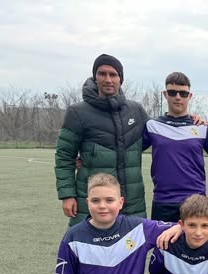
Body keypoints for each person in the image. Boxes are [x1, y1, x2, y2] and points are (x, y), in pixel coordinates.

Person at [55, 54, 149, 226]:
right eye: (102, 74)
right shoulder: (77, 112)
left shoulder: (136, 111)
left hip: (132, 202)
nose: (108, 79)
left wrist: (192, 120)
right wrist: (67, 195)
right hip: (93, 201)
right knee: (87, 242)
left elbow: (158, 137)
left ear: (120, 79)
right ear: (95, 77)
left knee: (133, 242)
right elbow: (64, 156)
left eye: (113, 74)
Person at [143, 72, 208, 222]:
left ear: (189, 96)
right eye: (172, 92)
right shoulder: (152, 126)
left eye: (183, 93)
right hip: (163, 201)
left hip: (195, 202)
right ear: (165, 94)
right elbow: (129, 152)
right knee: (163, 239)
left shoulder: (201, 127)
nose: (178, 97)